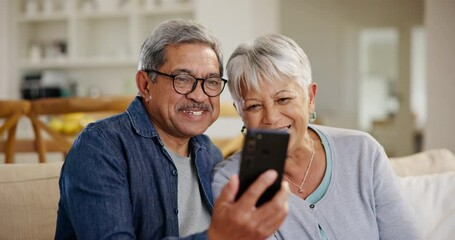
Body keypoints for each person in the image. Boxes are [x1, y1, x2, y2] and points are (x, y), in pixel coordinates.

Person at [55, 19, 289, 239]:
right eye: (183, 79)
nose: (199, 95)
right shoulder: (100, 147)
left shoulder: (210, 154)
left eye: (211, 81)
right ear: (145, 84)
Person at [212, 34, 422, 239]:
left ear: (310, 98)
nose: (272, 118)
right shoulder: (229, 181)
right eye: (254, 106)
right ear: (241, 113)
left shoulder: (363, 152)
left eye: (283, 99)